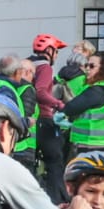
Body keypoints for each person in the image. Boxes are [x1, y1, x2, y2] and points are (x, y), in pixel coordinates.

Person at [29, 34, 73, 198]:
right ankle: (57, 202)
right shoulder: (45, 67)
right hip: (44, 118)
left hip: (31, 120)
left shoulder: (28, 64)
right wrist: (59, 104)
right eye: (56, 51)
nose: (56, 55)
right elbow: (40, 91)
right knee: (55, 161)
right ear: (49, 50)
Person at [0, 55, 41, 174]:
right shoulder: (6, 90)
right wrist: (27, 122)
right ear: (17, 72)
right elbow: (6, 120)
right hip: (12, 147)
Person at [62, 50, 104, 153]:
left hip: (91, 143)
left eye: (92, 66)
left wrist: (61, 112)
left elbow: (73, 107)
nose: (87, 69)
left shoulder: (100, 88)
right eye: (86, 65)